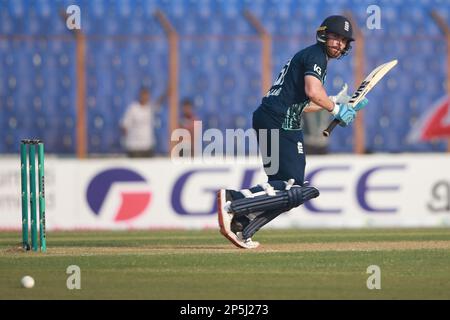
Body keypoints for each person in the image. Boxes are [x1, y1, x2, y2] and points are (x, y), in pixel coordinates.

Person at [217, 15, 369, 249]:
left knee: (287, 189)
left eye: (343, 40)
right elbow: (312, 91)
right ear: (324, 34)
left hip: (270, 117)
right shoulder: (316, 56)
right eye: (335, 37)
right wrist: (336, 109)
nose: (338, 43)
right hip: (279, 121)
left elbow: (304, 104)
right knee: (292, 187)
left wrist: (339, 102)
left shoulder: (310, 56)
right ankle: (233, 200)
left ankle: (242, 224)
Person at [120, 87, 166, 158]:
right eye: (143, 95)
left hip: (147, 146)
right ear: (140, 95)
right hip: (134, 147)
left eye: (147, 95)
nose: (145, 97)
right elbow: (124, 125)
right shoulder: (133, 108)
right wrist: (126, 138)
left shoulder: (150, 108)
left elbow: (159, 102)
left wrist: (166, 92)